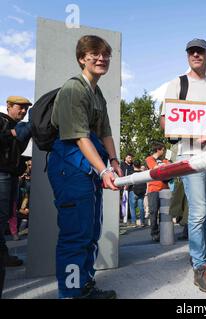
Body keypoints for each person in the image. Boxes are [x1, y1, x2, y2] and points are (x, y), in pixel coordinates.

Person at [48, 35, 122, 299]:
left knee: (91, 232)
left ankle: (84, 286)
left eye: (105, 54)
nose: (102, 58)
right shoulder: (73, 90)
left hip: (89, 166)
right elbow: (80, 136)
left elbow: (105, 131)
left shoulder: (96, 91)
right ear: (82, 58)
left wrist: (114, 161)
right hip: (70, 167)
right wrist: (103, 170)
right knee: (75, 236)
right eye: (94, 54)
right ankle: (70, 294)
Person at [160, 38, 206, 293]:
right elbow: (166, 124)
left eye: (200, 51)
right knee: (198, 212)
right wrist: (194, 133)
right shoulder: (178, 83)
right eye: (191, 51)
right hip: (191, 157)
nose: (196, 55)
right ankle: (200, 266)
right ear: (187, 56)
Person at [0, 95, 32, 298]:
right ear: (8, 106)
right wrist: (11, 133)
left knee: (4, 218)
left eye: (26, 109)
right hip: (2, 173)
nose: (23, 111)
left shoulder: (19, 127)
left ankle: (3, 255)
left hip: (10, 174)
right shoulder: (2, 121)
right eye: (19, 108)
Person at [145, 142, 169, 241]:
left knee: (165, 213)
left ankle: (164, 232)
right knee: (153, 212)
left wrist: (165, 163)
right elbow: (155, 168)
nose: (164, 152)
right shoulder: (149, 159)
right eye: (163, 150)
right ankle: (155, 233)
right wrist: (164, 165)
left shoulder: (164, 160)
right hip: (153, 189)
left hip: (165, 189)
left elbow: (170, 167)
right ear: (158, 150)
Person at [130, 160, 147, 227]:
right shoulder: (143, 173)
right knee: (141, 207)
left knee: (132, 208)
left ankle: (134, 222)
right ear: (140, 165)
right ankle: (142, 222)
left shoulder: (131, 173)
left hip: (133, 191)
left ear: (133, 165)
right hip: (141, 192)